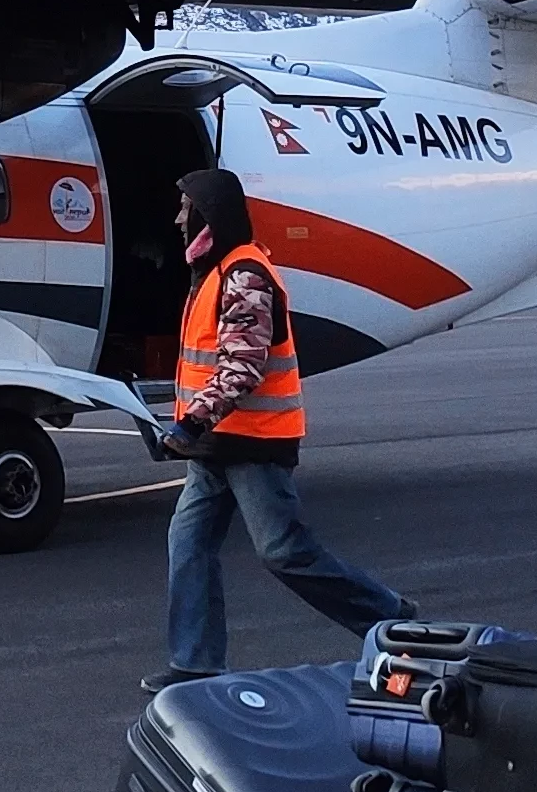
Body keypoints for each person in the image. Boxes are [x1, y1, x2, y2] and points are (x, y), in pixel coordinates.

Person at [144, 166, 412, 691]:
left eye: (186, 209)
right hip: (218, 444)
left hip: (253, 443)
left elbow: (243, 365)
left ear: (208, 215)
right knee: (189, 543)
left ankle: (392, 623)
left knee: (284, 552)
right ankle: (195, 662)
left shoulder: (244, 275)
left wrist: (192, 420)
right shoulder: (215, 271)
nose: (178, 219)